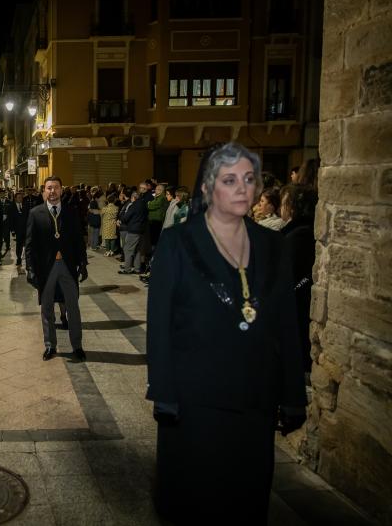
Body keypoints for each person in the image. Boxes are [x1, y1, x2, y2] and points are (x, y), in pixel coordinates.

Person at [146, 143, 307, 524]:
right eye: (229, 179)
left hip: (255, 402)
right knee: (193, 500)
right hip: (194, 402)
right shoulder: (177, 243)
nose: (241, 189)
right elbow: (160, 325)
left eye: (248, 179)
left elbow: (287, 321)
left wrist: (293, 394)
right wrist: (164, 392)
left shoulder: (273, 244)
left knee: (245, 499)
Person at [25, 176, 88, 362]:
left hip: (67, 266)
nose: (52, 191)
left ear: (61, 190)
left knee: (73, 307)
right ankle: (50, 345)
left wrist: (83, 263)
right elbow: (29, 245)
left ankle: (77, 346)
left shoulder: (70, 211)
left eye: (56, 188)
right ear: (44, 190)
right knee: (47, 308)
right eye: (49, 188)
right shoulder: (35, 213)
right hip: (46, 268)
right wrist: (30, 268)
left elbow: (78, 239)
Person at [280, 183, 318, 373]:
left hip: (297, 301)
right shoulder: (298, 231)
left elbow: (292, 275)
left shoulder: (299, 235)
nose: (282, 207)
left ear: (293, 207)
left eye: (284, 203)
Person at [118, 186, 148, 274]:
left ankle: (127, 269)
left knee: (128, 249)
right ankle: (137, 268)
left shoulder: (134, 205)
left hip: (133, 230)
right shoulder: (143, 204)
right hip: (141, 230)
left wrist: (121, 219)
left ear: (133, 198)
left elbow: (126, 218)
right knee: (137, 250)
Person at [8, 191, 29, 266]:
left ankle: (28, 260)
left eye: (21, 197)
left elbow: (28, 217)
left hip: (26, 229)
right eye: (18, 197)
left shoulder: (26, 205)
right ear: (15, 198)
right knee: (19, 245)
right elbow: (10, 219)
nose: (20, 199)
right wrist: (12, 230)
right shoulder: (11, 206)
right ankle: (19, 258)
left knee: (27, 245)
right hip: (18, 229)